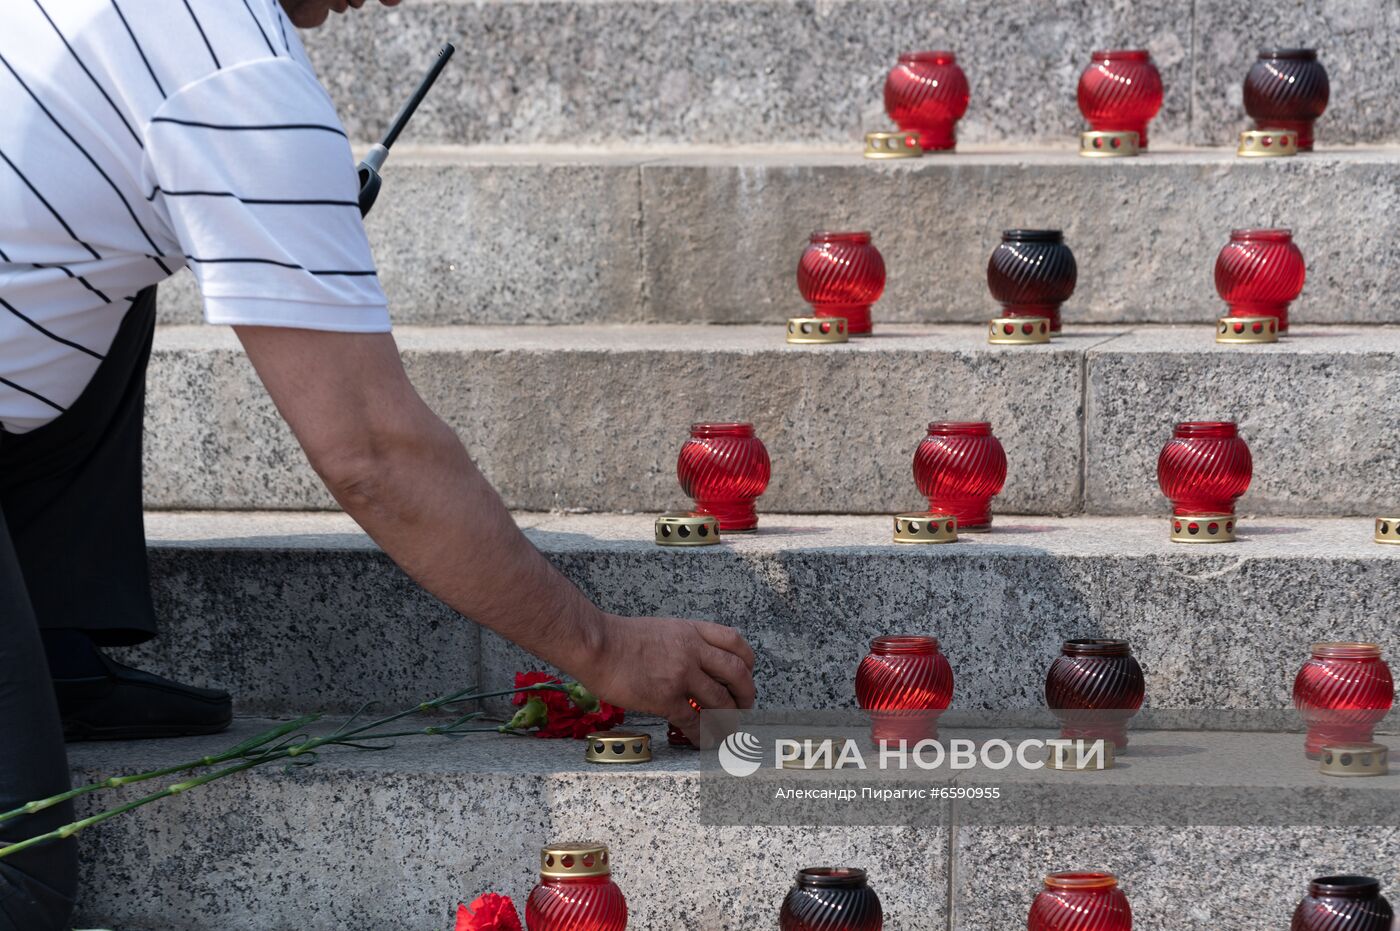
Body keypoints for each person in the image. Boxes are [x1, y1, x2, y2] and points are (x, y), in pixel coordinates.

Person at [0, 1, 757, 927]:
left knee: (106, 266)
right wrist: (601, 644)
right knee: (18, 876)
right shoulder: (237, 81)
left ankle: (54, 648)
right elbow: (372, 453)